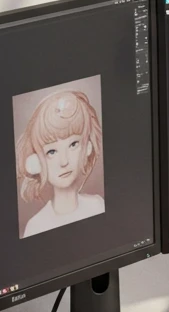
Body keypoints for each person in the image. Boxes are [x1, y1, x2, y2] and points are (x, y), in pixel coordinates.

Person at [16, 89, 105, 238]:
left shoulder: (97, 205)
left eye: (73, 144)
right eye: (51, 152)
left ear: (87, 147)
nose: (64, 161)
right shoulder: (35, 226)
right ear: (35, 162)